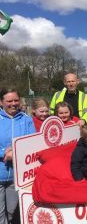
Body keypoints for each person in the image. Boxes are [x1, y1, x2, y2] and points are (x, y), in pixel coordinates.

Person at [0, 88, 35, 224]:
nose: (13, 103)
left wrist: (15, 151)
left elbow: (32, 144)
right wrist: (5, 152)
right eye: (9, 101)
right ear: (1, 102)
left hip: (18, 177)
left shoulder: (27, 120)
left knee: (13, 214)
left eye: (16, 100)